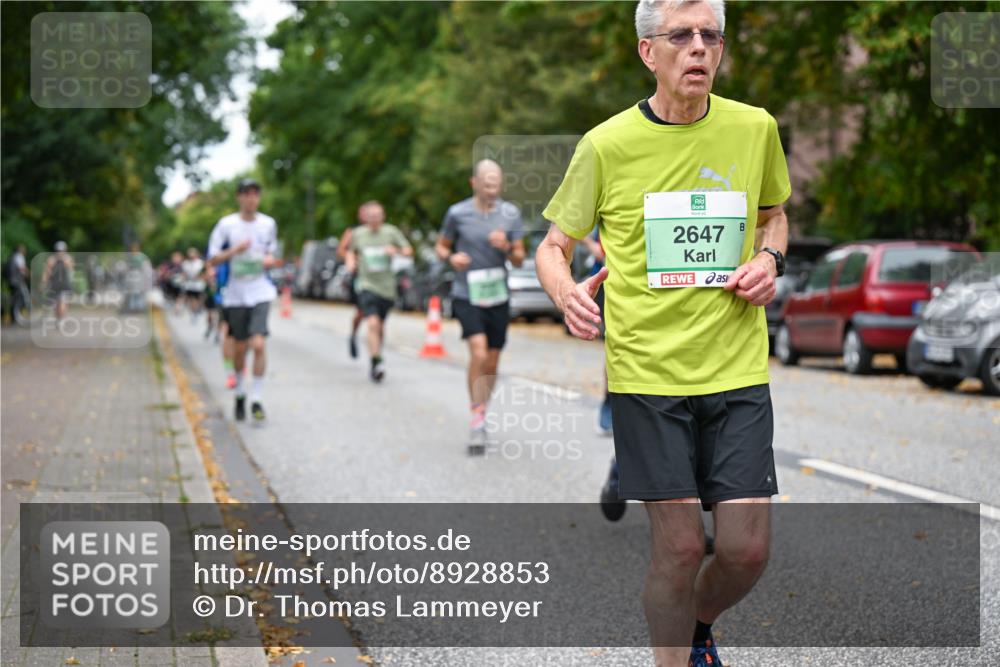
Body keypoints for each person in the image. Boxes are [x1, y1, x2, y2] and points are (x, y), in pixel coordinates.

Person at [536, 2, 791, 665]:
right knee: (679, 548)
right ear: (650, 52)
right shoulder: (607, 144)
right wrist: (566, 293)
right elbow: (552, 246)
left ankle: (699, 623)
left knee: (745, 549)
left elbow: (774, 217)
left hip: (737, 369)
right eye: (682, 36)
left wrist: (769, 260)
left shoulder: (754, 128)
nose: (699, 48)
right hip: (647, 376)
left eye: (712, 36)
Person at [434, 159, 526, 453]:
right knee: (479, 350)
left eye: (496, 184)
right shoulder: (457, 213)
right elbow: (441, 246)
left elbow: (521, 259)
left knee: (493, 360)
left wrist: (507, 248)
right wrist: (451, 258)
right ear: (474, 183)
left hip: (497, 294)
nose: (492, 190)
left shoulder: (510, 214)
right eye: (486, 184)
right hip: (467, 293)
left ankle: (482, 410)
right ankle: (476, 418)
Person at [207, 178, 279, 422]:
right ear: (239, 197)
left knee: (258, 344)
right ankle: (239, 392)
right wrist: (234, 252)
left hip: (260, 291)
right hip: (236, 295)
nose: (251, 199)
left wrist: (269, 260)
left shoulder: (268, 224)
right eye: (246, 194)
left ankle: (256, 398)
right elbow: (213, 259)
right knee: (240, 348)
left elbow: (271, 253)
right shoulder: (226, 225)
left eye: (255, 194)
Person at [344, 201, 413, 383]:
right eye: (371, 216)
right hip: (366, 284)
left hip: (387, 287)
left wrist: (396, 251)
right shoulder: (358, 234)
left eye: (377, 216)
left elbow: (408, 250)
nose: (374, 219)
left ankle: (376, 355)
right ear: (365, 217)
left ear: (383, 216)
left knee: (380, 326)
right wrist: (350, 263)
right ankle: (376, 361)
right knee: (372, 323)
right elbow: (350, 252)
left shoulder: (391, 232)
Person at [336, 225, 364, 359]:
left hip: (379, 280)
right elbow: (342, 251)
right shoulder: (353, 232)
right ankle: (353, 335)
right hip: (360, 277)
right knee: (361, 311)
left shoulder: (384, 232)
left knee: (378, 319)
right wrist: (352, 261)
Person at [42, 241, 74, 322]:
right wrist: (44, 282)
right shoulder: (52, 259)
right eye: (59, 251)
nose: (60, 252)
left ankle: (61, 317)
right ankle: (59, 318)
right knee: (57, 303)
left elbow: (71, 269)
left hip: (64, 284)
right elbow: (47, 272)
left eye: (61, 250)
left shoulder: (67, 258)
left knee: (62, 302)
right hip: (55, 285)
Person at [4, 244, 29, 324]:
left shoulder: (12, 256)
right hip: (17, 281)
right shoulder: (19, 257)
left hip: (10, 281)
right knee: (19, 298)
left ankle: (13, 318)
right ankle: (15, 317)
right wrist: (29, 274)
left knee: (14, 298)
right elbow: (22, 268)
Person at [181, 247, 206, 320]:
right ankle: (194, 312)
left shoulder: (200, 263)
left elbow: (203, 273)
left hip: (199, 284)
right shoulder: (185, 263)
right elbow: (184, 274)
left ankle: (198, 310)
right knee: (192, 299)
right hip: (190, 285)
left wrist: (200, 277)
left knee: (199, 299)